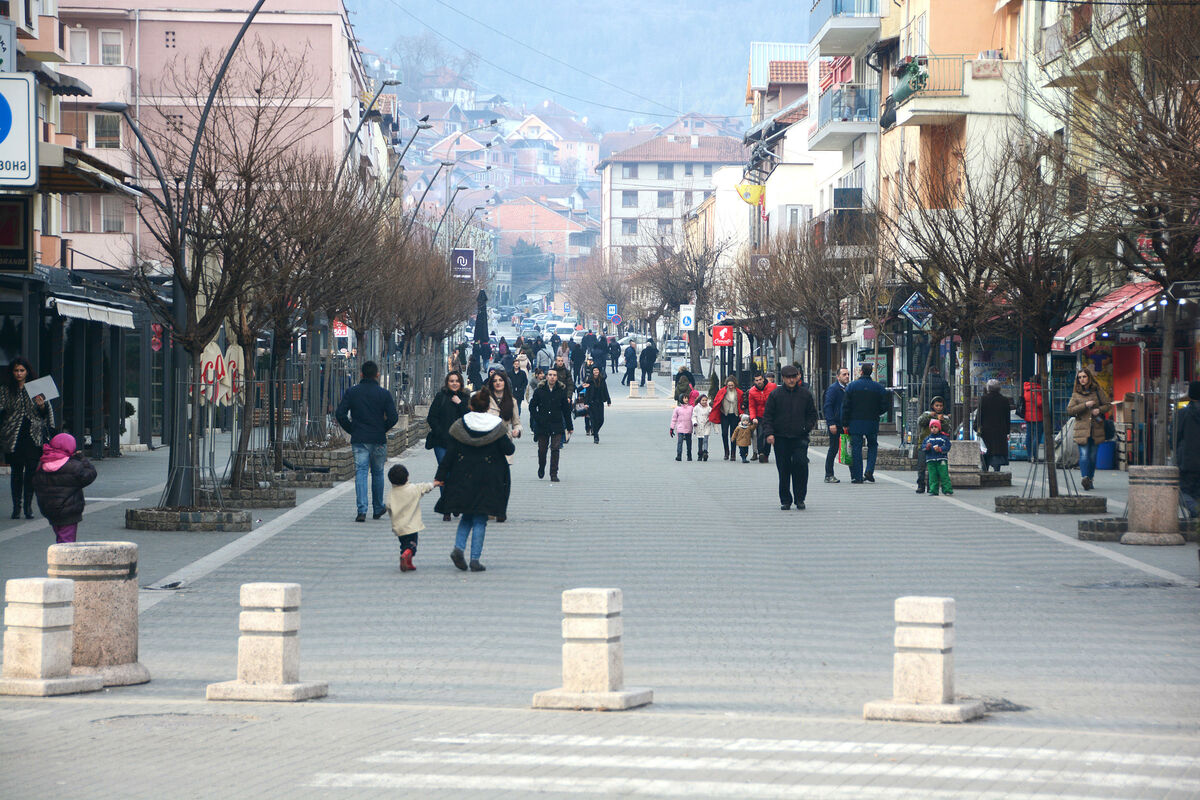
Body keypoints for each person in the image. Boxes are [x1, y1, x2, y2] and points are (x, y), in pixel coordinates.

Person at [434, 392, 513, 572]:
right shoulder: (496, 426)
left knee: (467, 515)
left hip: (463, 475)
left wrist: (440, 476)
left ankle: (458, 548)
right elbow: (509, 449)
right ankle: (475, 559)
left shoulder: (460, 425)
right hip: (488, 477)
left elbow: (450, 454)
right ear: (488, 407)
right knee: (480, 518)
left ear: (470, 406)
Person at [337, 361, 400, 522]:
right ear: (377, 375)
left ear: (361, 374)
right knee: (378, 473)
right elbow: (393, 417)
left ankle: (362, 510)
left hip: (359, 439)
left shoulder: (352, 392)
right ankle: (378, 508)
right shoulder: (384, 394)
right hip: (378, 439)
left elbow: (340, 414)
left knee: (361, 472)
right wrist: (382, 428)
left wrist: (352, 429)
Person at [0, 357, 54, 519]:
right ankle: (16, 507)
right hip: (13, 435)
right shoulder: (5, 389)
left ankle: (28, 507)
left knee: (31, 471)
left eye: (22, 370)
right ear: (12, 372)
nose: (19, 373)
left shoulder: (37, 388)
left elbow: (46, 413)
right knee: (16, 471)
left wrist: (42, 405)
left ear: (27, 372)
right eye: (16, 370)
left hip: (33, 435)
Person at [761, 364, 818, 510]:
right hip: (781, 437)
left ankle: (800, 498)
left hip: (800, 437)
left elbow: (812, 414)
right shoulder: (775, 395)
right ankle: (786, 499)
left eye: (794, 377)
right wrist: (769, 433)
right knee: (784, 469)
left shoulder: (805, 394)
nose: (791, 380)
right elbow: (768, 416)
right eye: (788, 377)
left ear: (798, 377)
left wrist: (806, 427)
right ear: (783, 378)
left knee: (801, 465)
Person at [32, 432, 96, 543]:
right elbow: (90, 475)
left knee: (60, 536)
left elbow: (36, 484)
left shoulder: (42, 464)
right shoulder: (74, 466)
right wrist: (82, 459)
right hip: (69, 511)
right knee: (66, 543)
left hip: (50, 509)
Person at [383, 463, 440, 572]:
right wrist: (434, 484)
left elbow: (388, 506)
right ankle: (406, 555)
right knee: (412, 546)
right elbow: (425, 487)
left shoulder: (391, 494)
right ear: (407, 477)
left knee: (404, 544)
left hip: (399, 527)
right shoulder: (413, 488)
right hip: (411, 526)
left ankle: (408, 562)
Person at [841, 363, 890, 484]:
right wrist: (876, 412)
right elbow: (885, 405)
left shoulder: (852, 386)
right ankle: (869, 470)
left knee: (856, 448)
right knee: (872, 445)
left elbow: (846, 406)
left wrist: (845, 422)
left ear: (861, 372)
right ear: (871, 372)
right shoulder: (878, 388)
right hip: (872, 421)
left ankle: (857, 476)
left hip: (855, 422)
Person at [1066, 366, 1110, 491]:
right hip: (1082, 429)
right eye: (1080, 377)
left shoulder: (1097, 391)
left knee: (1093, 456)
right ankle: (1084, 478)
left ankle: (1090, 479)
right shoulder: (1076, 394)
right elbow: (1070, 410)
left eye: (1084, 377)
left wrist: (1099, 410)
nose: (1082, 379)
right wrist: (1085, 405)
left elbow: (1107, 405)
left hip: (1096, 428)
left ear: (1089, 377)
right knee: (1084, 455)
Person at [529, 366, 573, 481]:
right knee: (542, 450)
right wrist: (537, 418)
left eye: (554, 375)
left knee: (555, 449)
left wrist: (569, 426)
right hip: (542, 424)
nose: (552, 377)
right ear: (546, 377)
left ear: (557, 377)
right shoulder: (539, 390)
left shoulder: (561, 391)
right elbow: (532, 407)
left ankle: (554, 473)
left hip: (556, 423)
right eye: (550, 375)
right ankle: (541, 466)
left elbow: (566, 410)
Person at [915, 396, 951, 494]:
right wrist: (929, 416)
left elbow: (947, 430)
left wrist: (942, 421)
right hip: (925, 445)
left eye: (940, 406)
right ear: (932, 406)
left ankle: (931, 487)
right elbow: (920, 422)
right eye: (936, 405)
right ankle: (920, 485)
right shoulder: (927, 414)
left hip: (937, 448)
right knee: (921, 467)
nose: (938, 408)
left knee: (933, 469)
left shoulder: (945, 417)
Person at [1175, 381, 1200, 516]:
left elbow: (1175, 437)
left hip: (1188, 462)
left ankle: (1196, 510)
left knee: (1181, 492)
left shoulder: (1183, 414)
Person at [976, 379, 1012, 473]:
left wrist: (977, 427)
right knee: (997, 451)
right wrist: (1007, 430)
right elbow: (1007, 417)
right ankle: (997, 469)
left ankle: (985, 468)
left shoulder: (983, 399)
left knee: (985, 450)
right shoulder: (1004, 400)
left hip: (986, 430)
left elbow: (979, 415)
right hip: (1000, 430)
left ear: (988, 388)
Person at [822, 367, 850, 484]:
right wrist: (831, 423)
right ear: (838, 377)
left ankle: (855, 475)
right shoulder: (833, 389)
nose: (847, 376)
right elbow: (828, 406)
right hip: (836, 424)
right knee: (833, 449)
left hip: (845, 424)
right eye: (844, 374)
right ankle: (829, 474)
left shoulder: (848, 388)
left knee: (849, 448)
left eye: (848, 374)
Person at [709, 376, 744, 461]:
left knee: (733, 434)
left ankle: (733, 453)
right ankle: (726, 452)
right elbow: (717, 401)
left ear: (735, 385)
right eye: (729, 385)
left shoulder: (739, 392)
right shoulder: (722, 391)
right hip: (724, 414)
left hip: (735, 415)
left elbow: (741, 402)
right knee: (724, 433)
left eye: (732, 385)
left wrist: (741, 412)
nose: (730, 387)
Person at [747, 373, 777, 463]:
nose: (759, 382)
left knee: (768, 434)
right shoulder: (752, 391)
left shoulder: (772, 387)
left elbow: (777, 400)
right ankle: (761, 453)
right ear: (754, 381)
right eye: (756, 380)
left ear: (763, 379)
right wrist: (753, 417)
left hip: (771, 415)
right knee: (760, 434)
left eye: (760, 379)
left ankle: (766, 454)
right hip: (759, 416)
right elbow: (752, 406)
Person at [921, 419, 954, 496]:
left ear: (939, 428)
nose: (934, 429)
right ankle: (933, 490)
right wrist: (927, 447)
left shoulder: (943, 438)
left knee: (944, 475)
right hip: (930, 460)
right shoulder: (927, 439)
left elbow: (948, 446)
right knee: (932, 476)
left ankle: (947, 490)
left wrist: (940, 449)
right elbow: (923, 448)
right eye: (932, 427)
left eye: (935, 427)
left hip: (941, 459)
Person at [1017, 375, 1045, 461]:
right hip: (1037, 416)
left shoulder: (1027, 389)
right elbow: (1040, 403)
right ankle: (1035, 456)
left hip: (1028, 416)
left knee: (1029, 436)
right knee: (1037, 436)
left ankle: (1029, 456)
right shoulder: (1036, 390)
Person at [582, 364, 612, 443]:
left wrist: (608, 400)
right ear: (592, 371)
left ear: (599, 371)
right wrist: (586, 403)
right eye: (594, 370)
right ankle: (596, 436)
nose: (596, 371)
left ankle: (595, 430)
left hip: (600, 402)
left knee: (601, 420)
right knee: (593, 419)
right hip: (592, 403)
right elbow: (587, 393)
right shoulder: (589, 380)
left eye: (597, 370)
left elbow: (605, 390)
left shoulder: (602, 380)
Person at [670, 397, 694, 461]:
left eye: (687, 398)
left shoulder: (691, 408)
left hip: (688, 427)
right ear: (681, 399)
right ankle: (679, 455)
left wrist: (695, 427)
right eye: (684, 398)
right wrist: (672, 428)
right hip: (680, 427)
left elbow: (694, 417)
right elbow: (674, 419)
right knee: (680, 442)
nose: (686, 399)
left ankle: (689, 455)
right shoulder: (677, 409)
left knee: (689, 442)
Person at [692, 394, 713, 461]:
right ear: (700, 401)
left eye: (705, 400)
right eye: (703, 400)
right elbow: (694, 416)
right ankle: (700, 454)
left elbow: (712, 415)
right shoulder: (696, 408)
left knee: (705, 439)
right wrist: (694, 422)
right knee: (700, 440)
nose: (704, 402)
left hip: (707, 425)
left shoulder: (709, 408)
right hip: (699, 426)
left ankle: (705, 452)